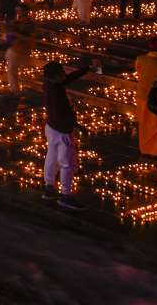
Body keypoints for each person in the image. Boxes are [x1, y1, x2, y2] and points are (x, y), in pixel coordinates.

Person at [40, 58, 93, 210]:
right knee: (67, 163)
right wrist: (74, 126)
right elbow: (60, 114)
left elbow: (68, 78)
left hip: (51, 127)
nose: (64, 74)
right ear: (55, 76)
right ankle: (66, 195)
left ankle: (49, 187)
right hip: (61, 130)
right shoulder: (56, 92)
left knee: (52, 156)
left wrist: (86, 69)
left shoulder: (50, 84)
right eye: (61, 73)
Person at [0, 7, 36, 96]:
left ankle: (16, 91)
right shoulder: (18, 22)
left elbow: (28, 37)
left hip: (20, 49)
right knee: (12, 71)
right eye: (17, 11)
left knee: (13, 71)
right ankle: (15, 90)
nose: (18, 12)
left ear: (25, 12)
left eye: (20, 11)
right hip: (15, 48)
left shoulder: (28, 24)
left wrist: (14, 34)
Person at [135, 37, 157, 159]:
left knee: (144, 125)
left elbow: (139, 71)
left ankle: (145, 149)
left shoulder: (140, 59)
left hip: (141, 97)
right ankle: (156, 151)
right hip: (156, 98)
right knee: (156, 126)